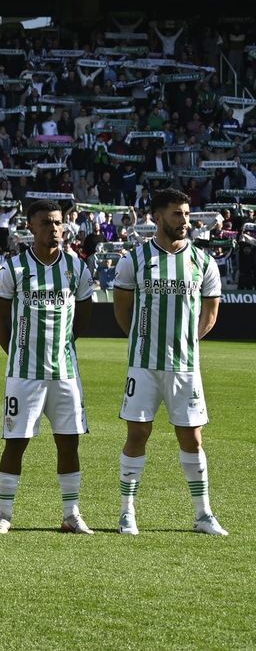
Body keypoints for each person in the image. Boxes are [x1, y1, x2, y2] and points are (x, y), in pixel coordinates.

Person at [113, 189, 226, 536]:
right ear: (158, 217)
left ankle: (203, 514)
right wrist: (146, 339)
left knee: (192, 438)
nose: (185, 222)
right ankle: (126, 512)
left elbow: (210, 313)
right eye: (177, 215)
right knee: (138, 433)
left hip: (185, 367)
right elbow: (123, 314)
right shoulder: (134, 259)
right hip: (144, 365)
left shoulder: (203, 262)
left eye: (188, 215)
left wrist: (186, 342)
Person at [0, 199, 94, 535]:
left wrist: (65, 344)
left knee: (69, 442)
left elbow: (85, 311)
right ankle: (4, 514)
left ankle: (71, 513)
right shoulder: (15, 268)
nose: (54, 229)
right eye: (47, 223)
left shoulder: (76, 267)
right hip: (24, 374)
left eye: (58, 223)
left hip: (65, 374)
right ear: (31, 227)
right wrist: (17, 352)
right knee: (16, 442)